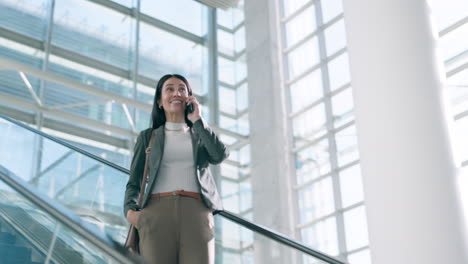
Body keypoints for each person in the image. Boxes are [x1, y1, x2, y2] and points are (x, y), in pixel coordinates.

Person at [123, 74, 228, 264]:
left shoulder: (199, 134)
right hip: (156, 213)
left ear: (189, 98)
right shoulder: (148, 137)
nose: (176, 93)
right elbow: (135, 180)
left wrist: (198, 119)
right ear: (159, 101)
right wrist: (130, 212)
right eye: (169, 89)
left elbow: (219, 155)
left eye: (182, 89)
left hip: (196, 213)